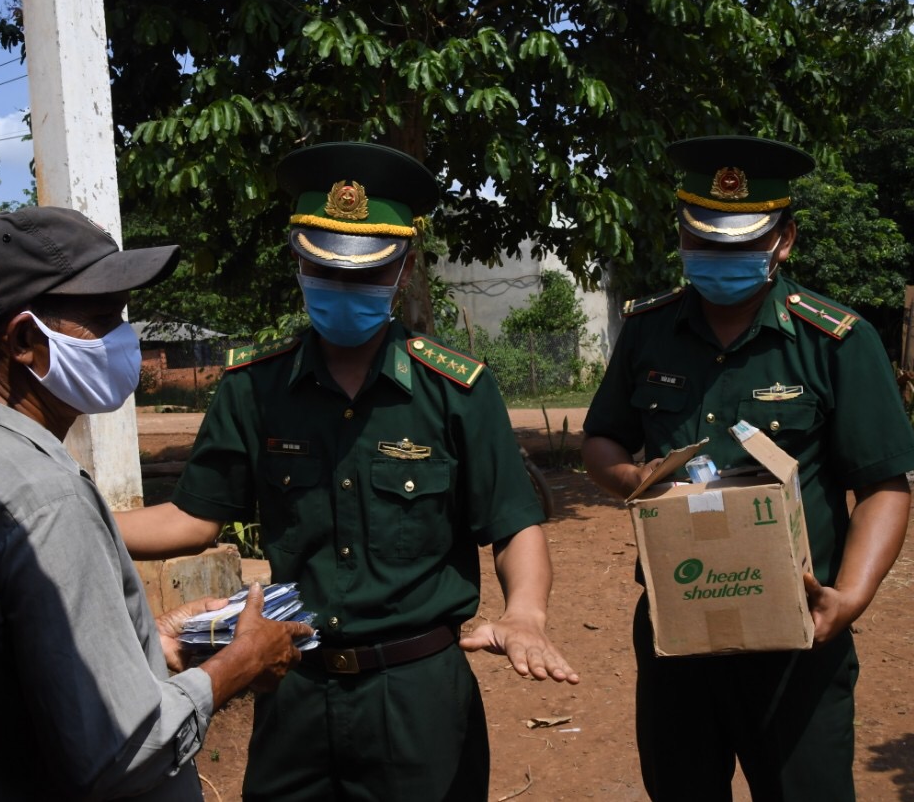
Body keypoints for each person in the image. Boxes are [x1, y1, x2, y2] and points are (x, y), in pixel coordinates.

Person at [117, 141, 579, 801]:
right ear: (299, 260)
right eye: (325, 270)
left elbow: (514, 522)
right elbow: (192, 517)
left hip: (417, 694)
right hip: (292, 684)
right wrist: (81, 523)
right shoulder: (254, 390)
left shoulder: (455, 391)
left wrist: (526, 613)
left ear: (404, 267)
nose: (344, 290)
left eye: (366, 275)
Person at [0, 206, 312, 801]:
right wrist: (241, 664)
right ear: (24, 340)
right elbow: (121, 752)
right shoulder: (45, 497)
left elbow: (29, 672)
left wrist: (150, 640)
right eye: (102, 319)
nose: (125, 337)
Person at [581, 135, 914, 801]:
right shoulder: (648, 333)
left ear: (783, 239)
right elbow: (602, 440)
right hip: (676, 630)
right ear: (682, 237)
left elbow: (884, 484)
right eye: (704, 242)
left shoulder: (836, 342)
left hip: (797, 637)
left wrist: (850, 597)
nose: (720, 259)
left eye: (740, 245)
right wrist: (629, 479)